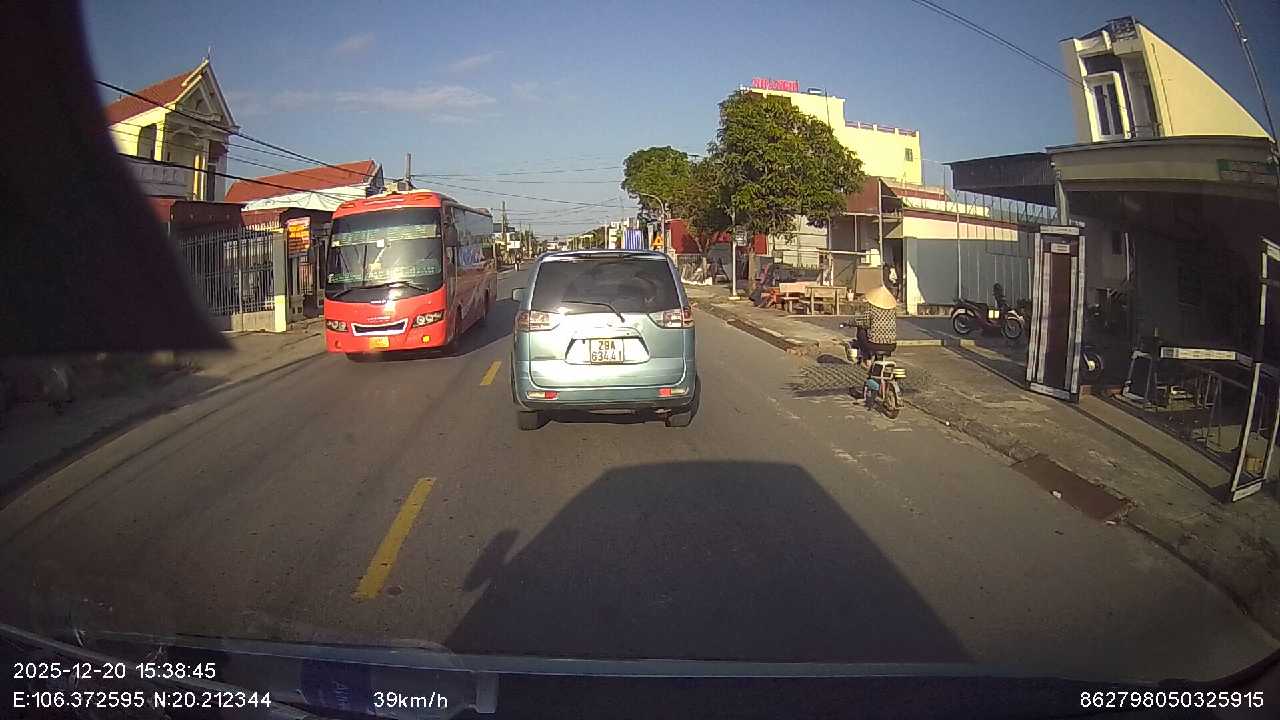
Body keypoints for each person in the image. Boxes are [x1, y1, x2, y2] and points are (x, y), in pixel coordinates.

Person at [850, 283, 898, 367]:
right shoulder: (893, 311)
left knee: (861, 331)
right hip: (891, 344)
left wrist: (849, 322)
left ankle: (866, 358)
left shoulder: (871, 310)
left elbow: (862, 322)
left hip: (874, 343)